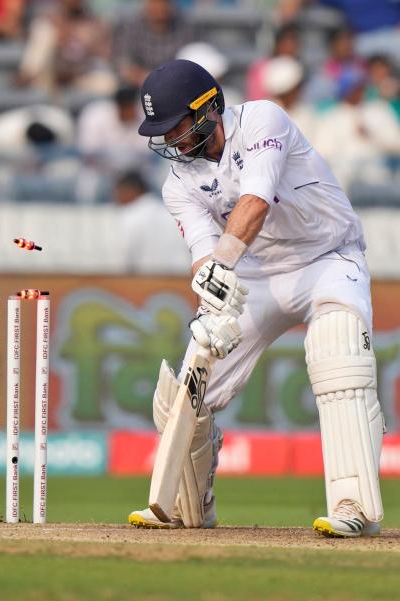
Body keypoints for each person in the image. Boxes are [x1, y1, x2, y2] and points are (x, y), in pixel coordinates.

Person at [128, 60, 385, 538]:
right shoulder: (177, 184)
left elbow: (256, 202)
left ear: (209, 109)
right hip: (256, 276)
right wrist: (210, 292)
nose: (172, 142)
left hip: (327, 257)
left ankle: (354, 505)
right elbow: (204, 253)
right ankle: (190, 505)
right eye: (163, 133)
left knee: (339, 353)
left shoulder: (264, 120)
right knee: (186, 389)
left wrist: (221, 268)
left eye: (178, 128)